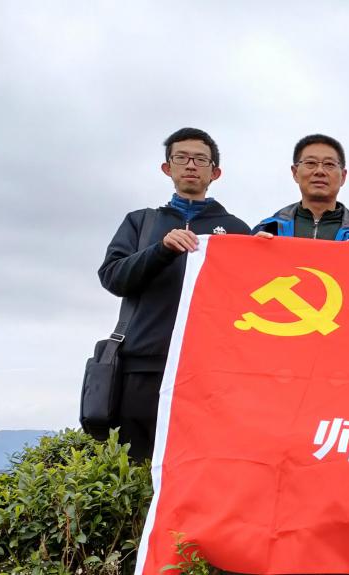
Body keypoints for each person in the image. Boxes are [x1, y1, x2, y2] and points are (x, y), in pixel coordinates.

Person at [98, 127, 250, 460]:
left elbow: (250, 297)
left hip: (210, 371)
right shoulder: (141, 223)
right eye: (181, 158)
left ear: (215, 172)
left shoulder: (238, 230)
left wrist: (269, 254)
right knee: (137, 466)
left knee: (203, 463)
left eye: (200, 159)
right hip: (143, 366)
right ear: (167, 168)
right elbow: (112, 278)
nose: (191, 165)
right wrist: (161, 249)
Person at [252, 134, 349, 243]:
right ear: (295, 173)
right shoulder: (267, 230)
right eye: (310, 163)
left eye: (329, 164)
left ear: (343, 176)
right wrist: (254, 250)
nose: (320, 171)